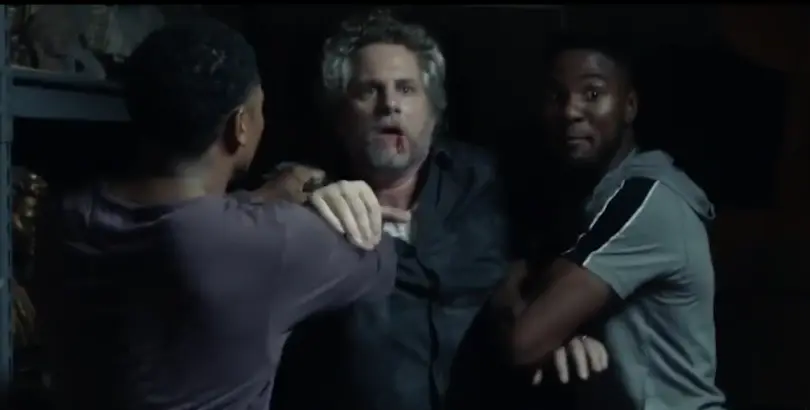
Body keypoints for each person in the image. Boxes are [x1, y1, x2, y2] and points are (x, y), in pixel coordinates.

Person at [34, 19, 397, 409]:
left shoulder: (64, 216)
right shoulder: (271, 244)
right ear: (240, 127)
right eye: (259, 109)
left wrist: (259, 200)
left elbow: (187, 221)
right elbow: (380, 260)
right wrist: (327, 191)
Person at [270, 10, 607, 410]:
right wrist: (298, 191)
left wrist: (562, 336)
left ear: (433, 111)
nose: (389, 105)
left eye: (406, 89)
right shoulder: (311, 202)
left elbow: (541, 277)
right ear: (341, 116)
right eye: (369, 91)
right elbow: (241, 209)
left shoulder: (488, 183)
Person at [493, 33, 727, 410]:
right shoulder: (588, 197)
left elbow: (523, 340)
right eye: (556, 96)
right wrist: (564, 335)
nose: (570, 111)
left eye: (592, 94)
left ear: (629, 106)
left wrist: (511, 288)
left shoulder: (645, 200)